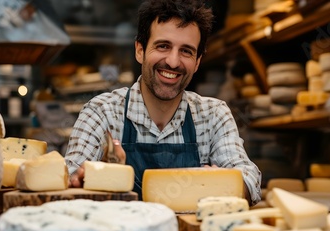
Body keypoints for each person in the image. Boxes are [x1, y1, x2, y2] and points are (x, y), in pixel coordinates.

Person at [65, 0, 262, 206]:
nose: (173, 62)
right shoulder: (102, 112)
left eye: (186, 51)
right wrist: (93, 179)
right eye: (163, 46)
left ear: (197, 62)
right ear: (140, 50)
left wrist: (224, 184)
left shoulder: (213, 114)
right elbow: (69, 178)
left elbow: (250, 178)